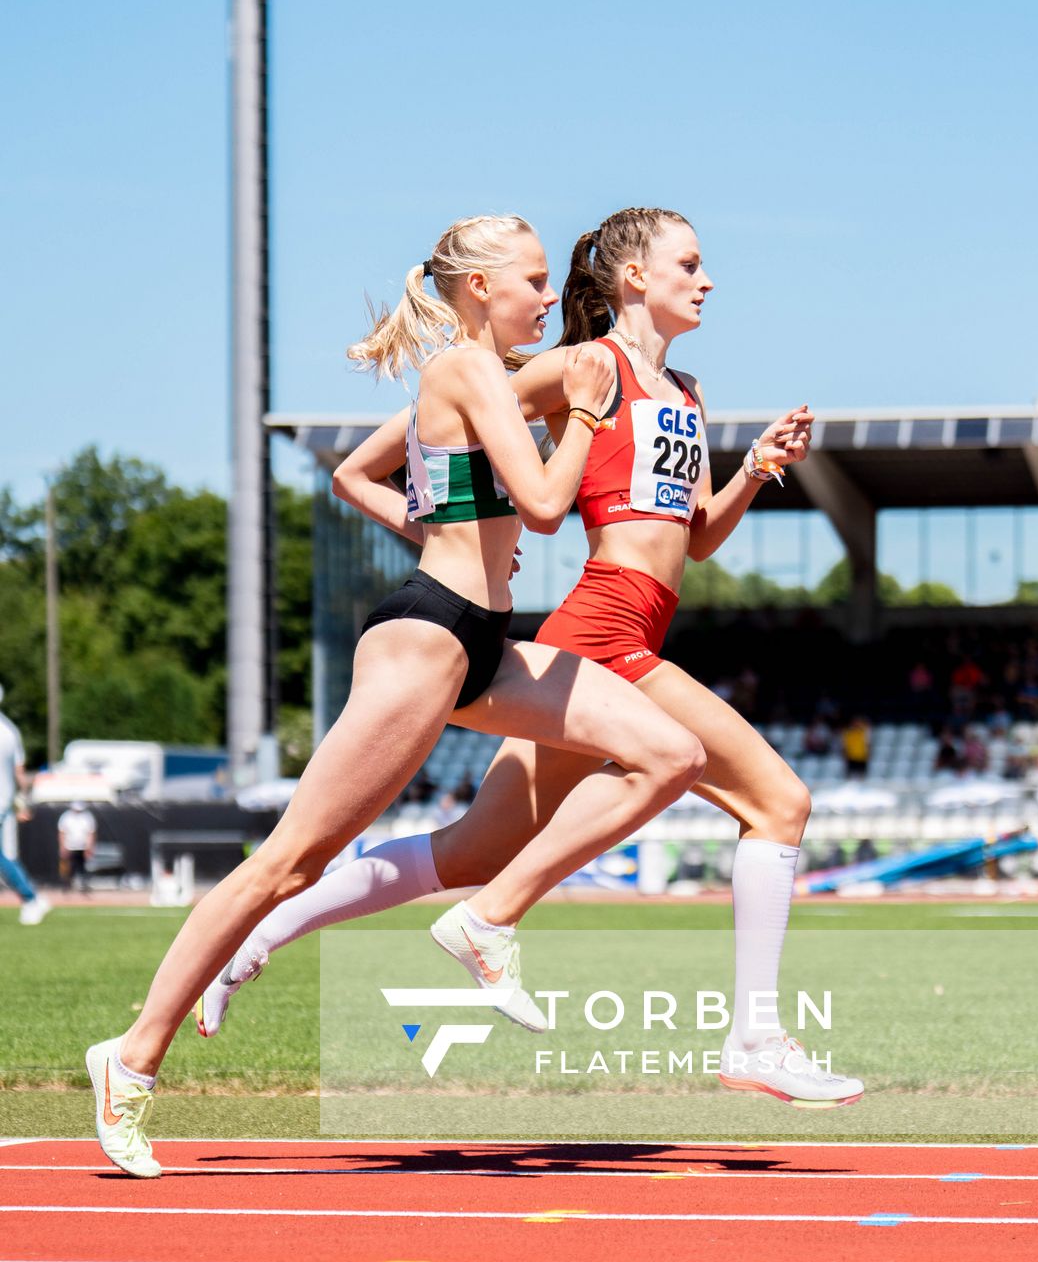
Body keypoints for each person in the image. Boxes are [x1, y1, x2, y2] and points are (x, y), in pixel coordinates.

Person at [200, 206, 863, 1108]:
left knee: (472, 848)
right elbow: (408, 444)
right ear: (634, 276)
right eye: (690, 263)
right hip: (603, 629)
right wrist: (443, 520)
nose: (707, 281)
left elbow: (695, 537)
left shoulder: (688, 393)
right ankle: (753, 1035)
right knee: (780, 801)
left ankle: (263, 934)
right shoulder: (579, 369)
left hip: (625, 631)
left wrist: (754, 470)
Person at [86, 214, 706, 1177]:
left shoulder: (493, 382)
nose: (551, 298)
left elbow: (359, 474)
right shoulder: (463, 371)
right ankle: (130, 1058)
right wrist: (582, 416)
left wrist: (442, 517)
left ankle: (488, 917)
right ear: (477, 292)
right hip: (424, 641)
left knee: (671, 753)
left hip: (485, 645)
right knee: (286, 864)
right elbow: (545, 507)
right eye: (535, 283)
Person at [0, 686, 51, 926]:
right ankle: (31, 896)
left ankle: (31, 898)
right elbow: (20, 774)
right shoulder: (10, 730)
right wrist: (22, 801)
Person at [57, 799, 97, 892]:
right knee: (69, 867)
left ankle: (84, 885)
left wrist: (90, 846)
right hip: (70, 846)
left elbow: (91, 832)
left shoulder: (87, 817)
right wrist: (62, 846)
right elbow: (62, 832)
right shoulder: (66, 817)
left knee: (83, 867)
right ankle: (67, 885)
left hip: (83, 846)